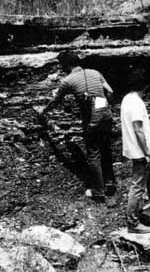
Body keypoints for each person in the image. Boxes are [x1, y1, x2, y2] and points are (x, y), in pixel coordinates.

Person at [39, 51, 116, 202]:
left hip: (92, 121)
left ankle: (98, 192)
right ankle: (110, 183)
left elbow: (56, 101)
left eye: (61, 65)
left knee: (93, 154)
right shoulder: (95, 72)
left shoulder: (68, 81)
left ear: (65, 65)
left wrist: (44, 111)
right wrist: (102, 106)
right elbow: (110, 92)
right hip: (106, 116)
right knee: (106, 149)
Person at [121, 69, 150, 234]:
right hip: (139, 151)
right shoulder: (137, 103)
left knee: (149, 171)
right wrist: (148, 153)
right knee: (137, 187)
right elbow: (138, 129)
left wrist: (149, 121)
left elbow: (137, 120)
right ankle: (132, 223)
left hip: (132, 148)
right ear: (144, 87)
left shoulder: (127, 99)